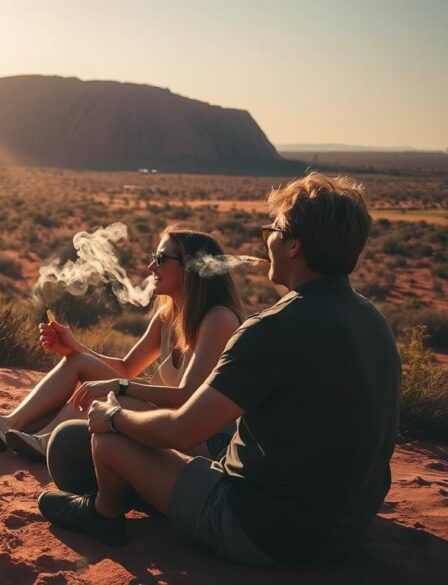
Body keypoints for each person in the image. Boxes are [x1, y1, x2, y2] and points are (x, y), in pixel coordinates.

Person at [38, 172, 400, 567]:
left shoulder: (272, 329)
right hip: (346, 526)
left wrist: (113, 416)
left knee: (100, 440)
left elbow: (183, 429)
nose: (267, 240)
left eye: (273, 230)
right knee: (75, 443)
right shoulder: (372, 321)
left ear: (294, 245)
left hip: (267, 528)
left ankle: (103, 516)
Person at [0, 227, 244, 463]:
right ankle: (9, 425)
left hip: (202, 441)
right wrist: (75, 346)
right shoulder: (169, 315)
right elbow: (127, 368)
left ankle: (45, 439)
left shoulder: (218, 319)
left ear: (191, 268)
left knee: (114, 398)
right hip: (166, 422)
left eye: (161, 258)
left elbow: (187, 397)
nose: (150, 266)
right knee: (78, 363)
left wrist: (118, 387)